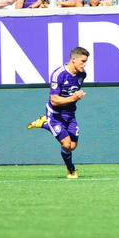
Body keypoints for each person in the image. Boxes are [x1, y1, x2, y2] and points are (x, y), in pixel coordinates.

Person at [27, 47, 90, 179]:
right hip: (55, 114)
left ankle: (44, 123)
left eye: (86, 61)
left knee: (72, 146)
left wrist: (73, 99)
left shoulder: (82, 75)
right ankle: (70, 169)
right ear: (73, 59)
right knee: (66, 144)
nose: (84, 64)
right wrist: (74, 98)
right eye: (82, 61)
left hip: (70, 114)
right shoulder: (59, 74)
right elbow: (54, 100)